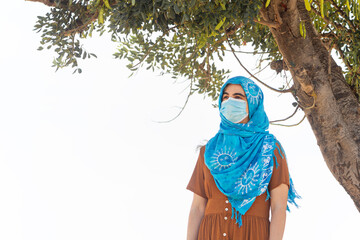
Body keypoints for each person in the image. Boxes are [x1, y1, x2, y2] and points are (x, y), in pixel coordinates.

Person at [186, 76, 299, 240]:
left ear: (253, 103)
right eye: (225, 97)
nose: (230, 101)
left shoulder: (270, 149)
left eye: (238, 97)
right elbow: (197, 207)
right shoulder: (209, 151)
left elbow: (278, 207)